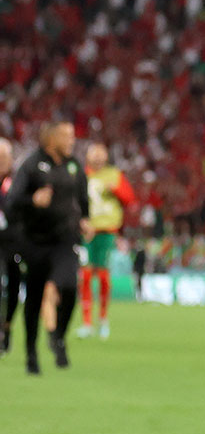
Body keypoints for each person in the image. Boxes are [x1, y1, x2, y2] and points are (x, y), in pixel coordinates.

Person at [5, 121, 88, 374]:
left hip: (65, 239)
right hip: (35, 241)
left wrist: (85, 219)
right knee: (33, 298)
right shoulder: (30, 165)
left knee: (69, 286)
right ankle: (31, 354)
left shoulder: (74, 166)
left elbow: (83, 200)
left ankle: (58, 335)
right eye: (67, 136)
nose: (72, 140)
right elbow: (11, 202)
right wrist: (33, 200)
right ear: (51, 139)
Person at [76, 141, 135, 339]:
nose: (98, 158)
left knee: (102, 275)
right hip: (86, 232)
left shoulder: (114, 175)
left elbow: (129, 199)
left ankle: (103, 319)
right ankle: (86, 322)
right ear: (88, 157)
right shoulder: (81, 175)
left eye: (101, 154)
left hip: (107, 231)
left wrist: (116, 190)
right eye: (94, 154)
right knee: (84, 275)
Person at [0, 137, 19, 354]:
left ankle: (7, 325)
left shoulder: (16, 183)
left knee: (13, 284)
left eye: (5, 156)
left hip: (14, 241)